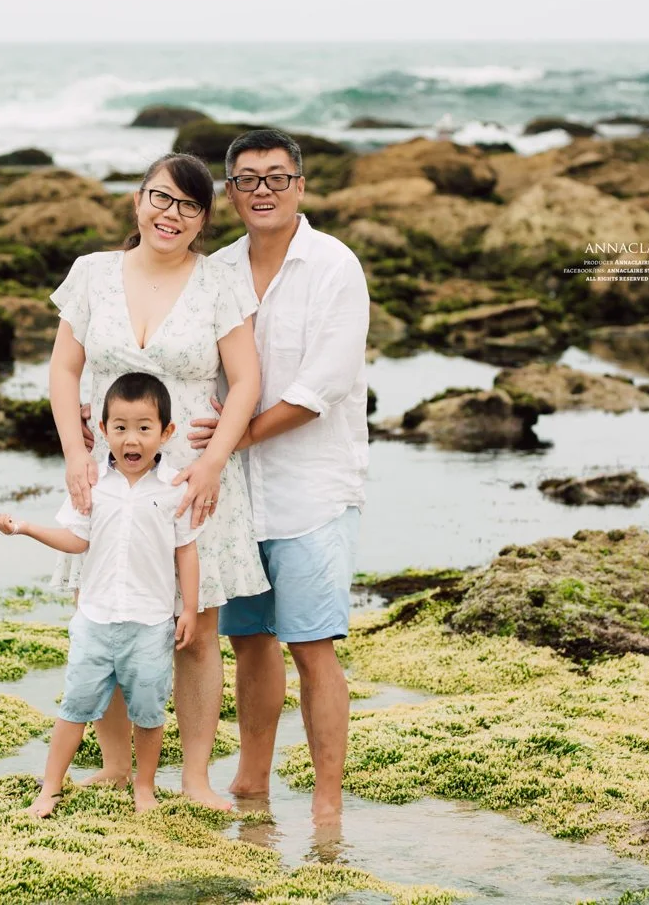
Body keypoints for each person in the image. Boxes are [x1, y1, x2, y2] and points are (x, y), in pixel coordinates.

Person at [46, 151, 267, 811]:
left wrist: (214, 461)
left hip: (193, 478)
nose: (172, 215)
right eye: (161, 199)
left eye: (189, 207)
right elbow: (63, 371)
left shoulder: (218, 281)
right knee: (110, 616)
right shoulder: (91, 275)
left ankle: (194, 778)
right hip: (107, 470)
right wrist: (74, 456)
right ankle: (116, 766)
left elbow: (247, 379)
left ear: (203, 220)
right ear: (137, 201)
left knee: (196, 631)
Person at [192, 128, 370, 828]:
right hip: (234, 495)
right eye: (246, 179)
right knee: (250, 642)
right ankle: (251, 780)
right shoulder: (217, 271)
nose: (261, 190)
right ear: (228, 192)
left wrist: (231, 439)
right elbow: (192, 369)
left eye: (275, 177)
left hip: (313, 490)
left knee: (312, 646)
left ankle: (327, 805)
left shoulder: (334, 266)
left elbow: (320, 385)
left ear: (300, 184)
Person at [0, 372, 201, 817]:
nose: (132, 438)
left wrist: (191, 610)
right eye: (121, 427)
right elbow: (76, 541)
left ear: (166, 432)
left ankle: (143, 787)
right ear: (103, 431)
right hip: (95, 620)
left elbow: (186, 552)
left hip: (150, 624)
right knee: (75, 704)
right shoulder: (93, 487)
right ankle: (50, 787)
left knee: (148, 710)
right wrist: (26, 528)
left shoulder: (173, 489)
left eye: (145, 428)